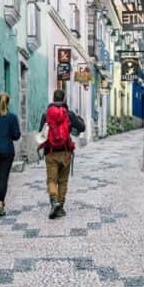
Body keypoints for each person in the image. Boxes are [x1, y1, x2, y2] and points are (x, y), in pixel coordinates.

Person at [38, 89, 85, 219]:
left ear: (53, 99)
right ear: (64, 99)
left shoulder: (46, 114)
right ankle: (61, 206)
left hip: (51, 153)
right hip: (65, 152)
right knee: (63, 181)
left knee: (52, 180)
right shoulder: (68, 114)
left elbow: (41, 132)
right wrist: (76, 118)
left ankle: (54, 201)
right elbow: (82, 127)